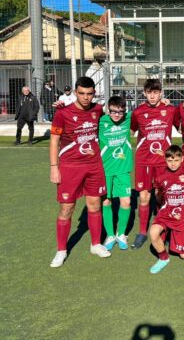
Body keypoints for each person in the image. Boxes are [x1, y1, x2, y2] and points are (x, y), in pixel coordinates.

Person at [49, 76, 110, 267]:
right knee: (67, 208)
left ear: (94, 94)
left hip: (94, 166)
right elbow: (54, 141)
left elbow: (117, 114)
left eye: (89, 94)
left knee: (95, 205)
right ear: (75, 92)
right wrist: (54, 168)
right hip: (70, 167)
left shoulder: (98, 110)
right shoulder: (62, 113)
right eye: (82, 93)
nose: (86, 97)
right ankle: (61, 250)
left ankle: (96, 244)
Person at [130, 79, 177, 250]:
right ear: (144, 93)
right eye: (149, 92)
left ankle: (162, 230)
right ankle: (142, 232)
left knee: (161, 196)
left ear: (161, 93)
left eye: (156, 92)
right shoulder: (138, 112)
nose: (152, 96)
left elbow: (182, 123)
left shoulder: (170, 110)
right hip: (143, 161)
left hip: (162, 162)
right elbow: (131, 130)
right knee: (144, 197)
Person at [148, 145, 184, 274]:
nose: (173, 164)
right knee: (153, 233)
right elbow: (159, 198)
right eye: (170, 161)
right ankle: (163, 258)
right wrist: (158, 194)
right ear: (165, 160)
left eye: (176, 160)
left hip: (183, 215)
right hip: (166, 212)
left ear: (182, 159)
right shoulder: (161, 178)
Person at [99, 95, 133, 251]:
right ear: (108, 109)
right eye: (113, 111)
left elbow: (149, 108)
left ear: (124, 111)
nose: (116, 115)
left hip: (123, 170)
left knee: (126, 202)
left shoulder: (128, 118)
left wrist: (163, 101)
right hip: (105, 170)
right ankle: (110, 234)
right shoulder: (101, 121)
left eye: (120, 112)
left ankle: (121, 234)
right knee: (106, 202)